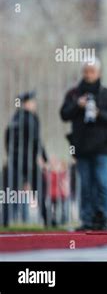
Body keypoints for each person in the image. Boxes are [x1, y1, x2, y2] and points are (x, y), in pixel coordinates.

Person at [60, 59, 107, 231]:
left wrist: (100, 113)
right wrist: (77, 105)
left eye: (92, 71)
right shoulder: (73, 94)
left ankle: (103, 219)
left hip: (103, 147)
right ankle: (86, 220)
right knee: (85, 185)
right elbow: (64, 114)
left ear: (99, 73)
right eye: (86, 71)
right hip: (81, 147)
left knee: (102, 182)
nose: (88, 74)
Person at [3, 91, 48, 226]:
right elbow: (36, 140)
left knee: (10, 192)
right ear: (26, 104)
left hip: (14, 160)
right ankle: (48, 219)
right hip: (29, 161)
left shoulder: (14, 118)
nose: (34, 104)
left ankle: (4, 220)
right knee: (40, 188)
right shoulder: (31, 118)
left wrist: (11, 156)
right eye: (32, 102)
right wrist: (43, 158)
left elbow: (7, 141)